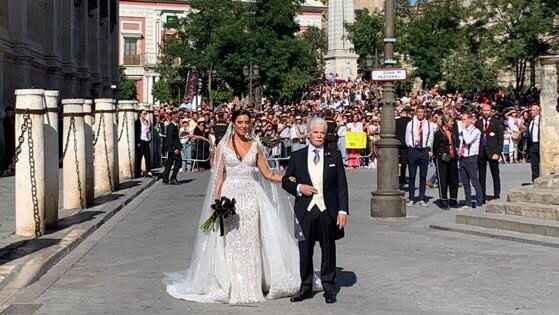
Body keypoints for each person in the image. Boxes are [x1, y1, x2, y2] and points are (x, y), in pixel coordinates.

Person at [165, 109, 301, 304]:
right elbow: (218, 178)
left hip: (252, 198)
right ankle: (234, 284)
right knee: (232, 241)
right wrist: (215, 202)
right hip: (230, 198)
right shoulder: (223, 146)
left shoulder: (256, 145)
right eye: (240, 122)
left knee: (252, 240)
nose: (244, 125)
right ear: (233, 123)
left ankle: (252, 286)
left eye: (247, 122)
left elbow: (268, 174)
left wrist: (288, 179)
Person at [282, 117, 349, 304]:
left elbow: (341, 185)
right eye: (316, 132)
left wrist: (343, 211)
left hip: (328, 210)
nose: (319, 136)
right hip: (305, 210)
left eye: (322, 132)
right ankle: (305, 286)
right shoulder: (297, 156)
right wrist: (299, 188)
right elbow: (286, 181)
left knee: (328, 248)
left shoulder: (334, 155)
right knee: (305, 249)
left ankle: (329, 286)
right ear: (308, 134)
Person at [405, 107, 435, 206]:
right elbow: (407, 137)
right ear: (416, 113)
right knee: (412, 176)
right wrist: (410, 146)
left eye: (422, 112)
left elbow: (431, 138)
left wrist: (429, 149)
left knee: (423, 176)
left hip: (424, 150)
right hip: (413, 150)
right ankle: (412, 198)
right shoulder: (411, 124)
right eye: (418, 112)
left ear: (425, 113)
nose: (420, 114)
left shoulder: (429, 125)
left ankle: (422, 197)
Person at [475, 104, 503, 202]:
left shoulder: (496, 122)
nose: (486, 112)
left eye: (488, 110)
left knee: (495, 173)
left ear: (491, 111)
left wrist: (498, 153)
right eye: (484, 110)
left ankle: (496, 194)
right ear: (481, 111)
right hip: (481, 152)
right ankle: (482, 195)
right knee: (481, 175)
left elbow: (500, 140)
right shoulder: (477, 123)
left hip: (493, 152)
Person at [432, 115, 459, 209]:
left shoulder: (452, 132)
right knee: (443, 180)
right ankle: (443, 200)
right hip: (442, 158)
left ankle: (453, 199)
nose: (453, 123)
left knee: (453, 179)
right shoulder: (438, 133)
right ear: (446, 122)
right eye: (451, 121)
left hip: (453, 158)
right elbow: (435, 147)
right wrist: (440, 155)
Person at [458, 112, 483, 208]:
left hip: (471, 158)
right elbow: (461, 142)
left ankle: (479, 200)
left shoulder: (476, 131)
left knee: (474, 180)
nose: (462, 122)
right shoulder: (463, 131)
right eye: (462, 119)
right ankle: (468, 201)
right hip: (463, 157)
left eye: (464, 119)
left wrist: (463, 129)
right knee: (465, 181)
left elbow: (468, 140)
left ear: (469, 119)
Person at [161, 113, 182, 185]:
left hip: (173, 148)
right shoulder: (171, 126)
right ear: (173, 118)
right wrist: (174, 149)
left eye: (178, 117)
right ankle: (172, 178)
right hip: (173, 148)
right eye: (177, 117)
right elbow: (170, 139)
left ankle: (165, 178)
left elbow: (176, 138)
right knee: (179, 162)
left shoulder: (174, 126)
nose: (178, 118)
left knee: (169, 163)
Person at [396, 107, 412, 189]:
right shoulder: (410, 120)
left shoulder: (396, 121)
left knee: (398, 162)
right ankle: (406, 177)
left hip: (398, 143)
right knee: (406, 162)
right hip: (407, 143)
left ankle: (399, 177)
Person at [135, 111, 153, 177]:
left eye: (146, 114)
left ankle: (148, 171)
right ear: (140, 114)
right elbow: (136, 133)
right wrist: (138, 142)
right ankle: (138, 172)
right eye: (144, 114)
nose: (145, 115)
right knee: (139, 157)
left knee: (147, 156)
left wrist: (147, 125)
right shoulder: (137, 122)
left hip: (146, 140)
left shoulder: (146, 122)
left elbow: (149, 131)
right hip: (140, 141)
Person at [528, 104, 540, 181]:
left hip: (539, 143)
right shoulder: (531, 121)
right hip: (532, 144)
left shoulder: (540, 120)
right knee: (534, 163)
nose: (531, 112)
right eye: (531, 110)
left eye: (533, 110)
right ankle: (534, 179)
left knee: (540, 163)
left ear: (538, 111)